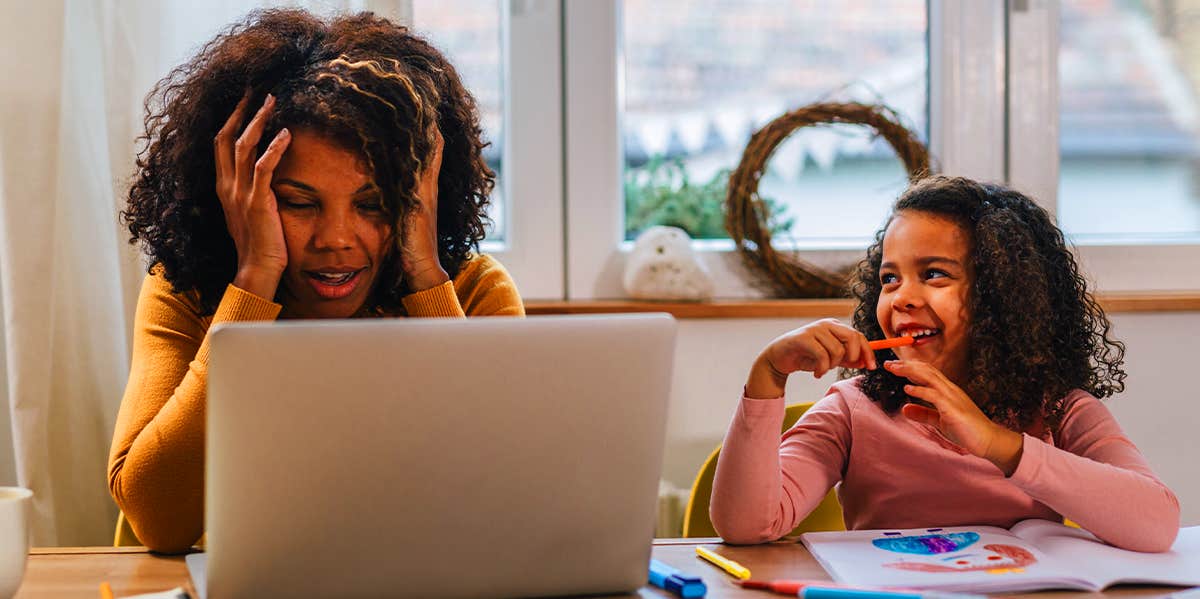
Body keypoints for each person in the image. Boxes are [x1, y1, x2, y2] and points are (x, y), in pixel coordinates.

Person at [108, 9, 523, 553]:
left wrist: (426, 281)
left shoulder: (472, 292)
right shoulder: (188, 293)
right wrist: (253, 286)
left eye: (374, 204)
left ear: (422, 201)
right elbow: (157, 517)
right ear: (237, 193)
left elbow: (513, 499)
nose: (336, 239)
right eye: (299, 203)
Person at [710, 176, 1179, 552]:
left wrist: (997, 444)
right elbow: (749, 526)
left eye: (934, 274)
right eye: (889, 279)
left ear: (1002, 295)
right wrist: (766, 377)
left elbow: (1156, 525)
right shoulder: (854, 410)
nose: (903, 297)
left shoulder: (1058, 409)